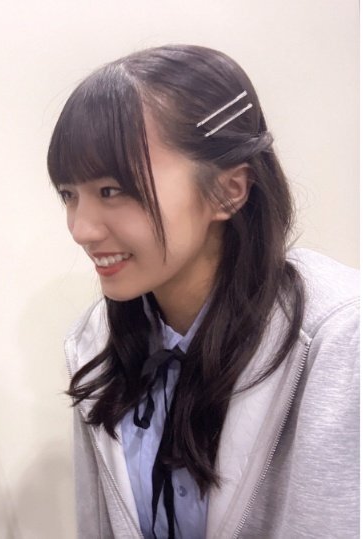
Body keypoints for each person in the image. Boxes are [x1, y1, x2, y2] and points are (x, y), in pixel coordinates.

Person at [47, 45, 358, 538]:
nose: (81, 229)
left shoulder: (337, 339)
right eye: (69, 195)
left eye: (111, 190)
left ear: (228, 190)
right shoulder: (96, 341)